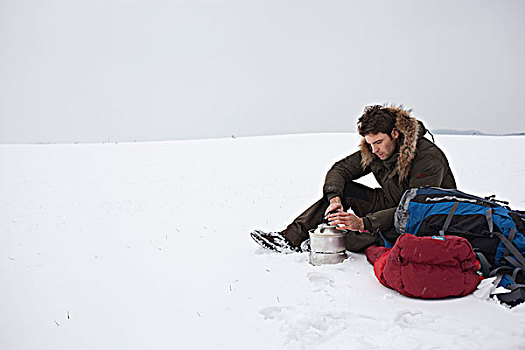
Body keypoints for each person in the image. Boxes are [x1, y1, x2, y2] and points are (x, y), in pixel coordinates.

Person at [251, 104, 457, 253]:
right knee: (344, 190)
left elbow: (415, 208)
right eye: (370, 143)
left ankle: (328, 241)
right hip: (391, 202)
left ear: (395, 133)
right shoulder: (374, 150)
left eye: (378, 142)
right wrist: (334, 199)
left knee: (357, 238)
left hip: (424, 218)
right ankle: (290, 239)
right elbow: (340, 169)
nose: (374, 150)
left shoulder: (427, 157)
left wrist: (363, 223)